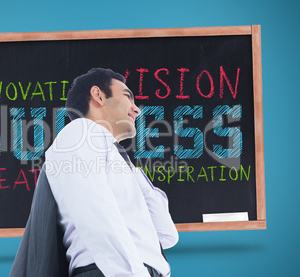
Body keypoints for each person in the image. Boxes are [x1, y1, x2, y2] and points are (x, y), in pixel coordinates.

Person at [11, 68, 178, 277]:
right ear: (98, 95)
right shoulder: (80, 132)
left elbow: (166, 234)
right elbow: (94, 210)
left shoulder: (119, 162)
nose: (137, 110)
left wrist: (134, 172)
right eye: (127, 96)